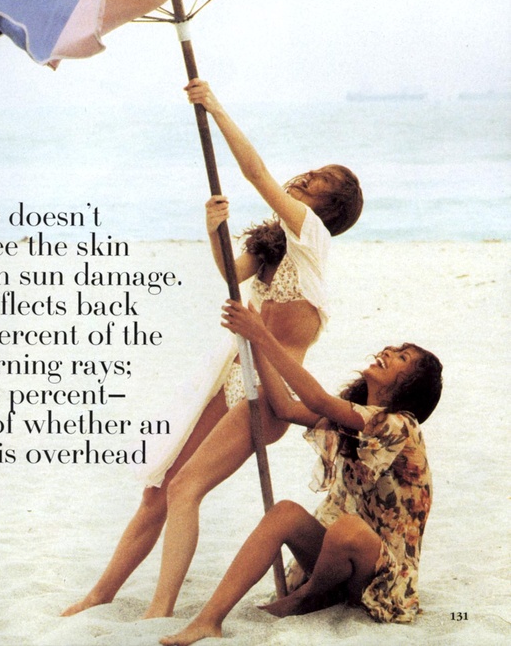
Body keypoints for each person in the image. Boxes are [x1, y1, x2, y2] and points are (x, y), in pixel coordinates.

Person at [62, 79, 363, 619]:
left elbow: (255, 173)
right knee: (160, 489)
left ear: (331, 205)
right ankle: (101, 593)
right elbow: (230, 272)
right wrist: (212, 231)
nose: (307, 176)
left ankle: (160, 609)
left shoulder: (313, 236)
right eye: (312, 170)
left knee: (186, 488)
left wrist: (214, 107)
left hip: (270, 394)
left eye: (322, 179)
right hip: (231, 375)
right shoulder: (275, 243)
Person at [159, 301, 443, 645]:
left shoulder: (400, 425)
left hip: (383, 578)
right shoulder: (354, 416)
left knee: (348, 528)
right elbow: (285, 407)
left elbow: (318, 400)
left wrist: (262, 335)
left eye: (402, 357)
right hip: (339, 563)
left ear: (410, 386)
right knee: (284, 513)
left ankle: (305, 598)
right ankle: (209, 619)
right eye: (395, 349)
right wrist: (254, 346)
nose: (389, 352)